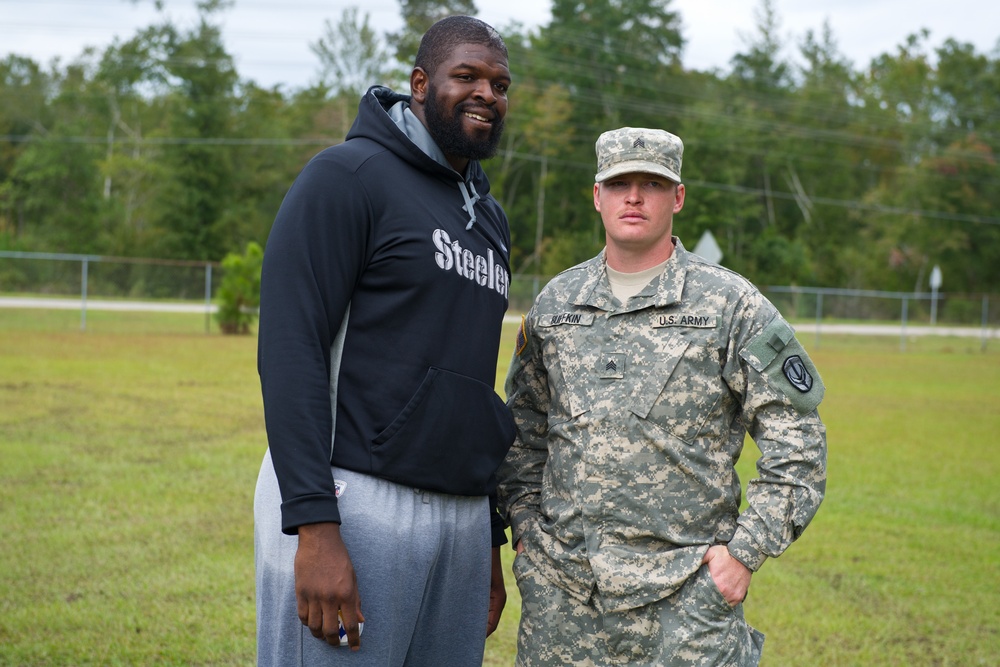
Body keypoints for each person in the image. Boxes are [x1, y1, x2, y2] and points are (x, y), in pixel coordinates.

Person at [497, 127, 828, 666]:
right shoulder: (556, 305)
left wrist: (743, 554)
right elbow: (523, 432)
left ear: (677, 197)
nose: (634, 196)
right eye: (619, 182)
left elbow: (799, 440)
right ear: (597, 194)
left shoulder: (730, 304)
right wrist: (529, 534)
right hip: (563, 599)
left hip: (686, 601)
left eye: (652, 183)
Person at [254, 16, 516, 667]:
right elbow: (291, 351)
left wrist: (485, 535)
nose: (487, 92)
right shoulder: (348, 177)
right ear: (421, 84)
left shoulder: (490, 219)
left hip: (457, 516)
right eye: (468, 76)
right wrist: (314, 526)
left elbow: (471, 383)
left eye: (501, 83)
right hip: (353, 501)